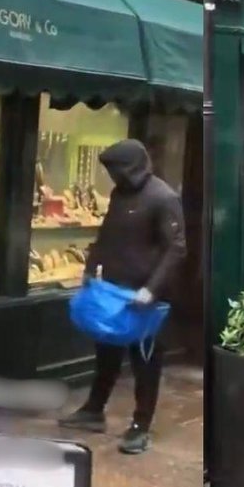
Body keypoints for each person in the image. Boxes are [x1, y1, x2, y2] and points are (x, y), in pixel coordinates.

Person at [59, 140, 186, 455]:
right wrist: (90, 268)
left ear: (130, 167)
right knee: (106, 354)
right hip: (113, 292)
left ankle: (141, 426)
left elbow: (177, 248)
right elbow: (107, 234)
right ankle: (93, 410)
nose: (112, 177)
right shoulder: (120, 195)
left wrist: (151, 290)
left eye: (115, 170)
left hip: (145, 297)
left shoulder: (163, 197)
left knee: (145, 362)